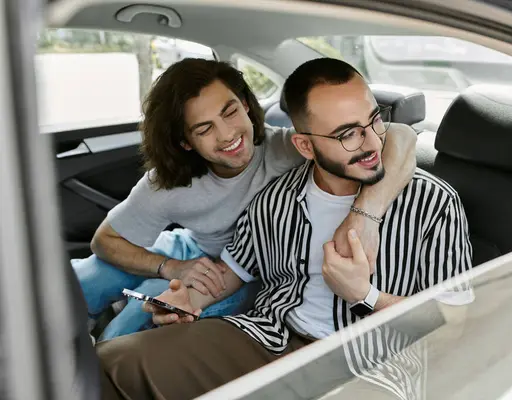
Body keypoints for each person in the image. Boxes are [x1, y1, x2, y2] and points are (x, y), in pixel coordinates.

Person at [97, 57, 472, 400]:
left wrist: (366, 295)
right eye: (346, 135)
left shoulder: (434, 203)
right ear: (305, 146)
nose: (372, 142)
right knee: (111, 361)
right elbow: (232, 272)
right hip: (268, 340)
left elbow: (454, 323)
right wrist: (186, 301)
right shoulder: (273, 199)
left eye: (374, 121)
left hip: (372, 365)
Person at [72, 58, 417, 340]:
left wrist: (364, 216)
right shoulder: (169, 182)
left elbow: (401, 137)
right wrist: (171, 268)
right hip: (191, 250)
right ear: (185, 142)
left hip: (247, 274)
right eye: (204, 129)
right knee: (80, 282)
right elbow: (105, 241)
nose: (228, 135)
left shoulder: (293, 148)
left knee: (129, 327)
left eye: (230, 112)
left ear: (247, 106)